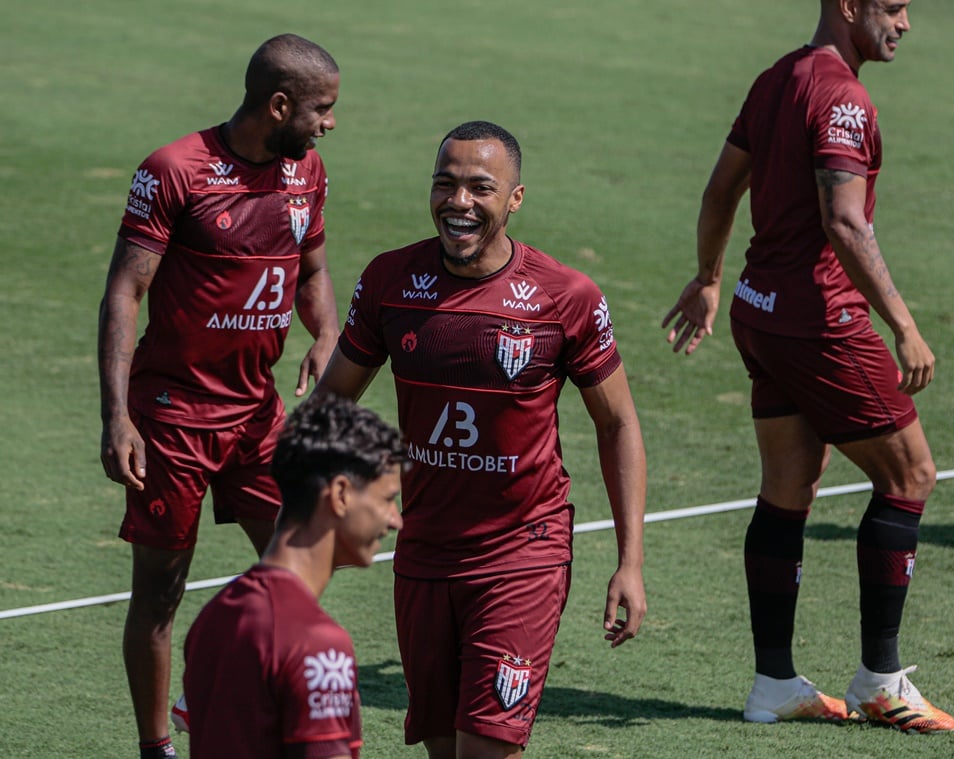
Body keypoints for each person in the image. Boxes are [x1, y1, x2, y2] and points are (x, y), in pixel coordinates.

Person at [662, 0, 954, 734]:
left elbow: (718, 188)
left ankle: (774, 683)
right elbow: (845, 220)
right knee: (910, 476)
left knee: (788, 486)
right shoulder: (844, 97)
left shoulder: (776, 78)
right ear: (848, 6)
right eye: (891, 6)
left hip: (758, 310)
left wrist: (707, 278)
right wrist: (905, 325)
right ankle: (881, 681)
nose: (906, 22)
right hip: (818, 322)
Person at [315, 120, 647, 758]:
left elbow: (619, 424)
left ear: (514, 200)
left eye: (480, 188)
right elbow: (333, 403)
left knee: (486, 750)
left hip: (523, 555)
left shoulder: (565, 297)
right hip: (424, 553)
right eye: (445, 184)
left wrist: (629, 562)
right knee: (444, 750)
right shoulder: (390, 280)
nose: (458, 202)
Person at [97, 34, 341, 758]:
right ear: (279, 104)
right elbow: (124, 291)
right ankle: (156, 746)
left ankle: (203, 691)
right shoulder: (176, 171)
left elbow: (313, 270)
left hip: (256, 412)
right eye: (322, 110)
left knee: (304, 553)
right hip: (172, 418)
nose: (330, 124)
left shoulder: (308, 173)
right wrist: (117, 415)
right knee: (161, 591)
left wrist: (324, 330)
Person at [180, 394, 405, 759]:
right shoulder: (317, 644)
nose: (396, 520)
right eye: (387, 499)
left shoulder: (215, 615)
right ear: (341, 495)